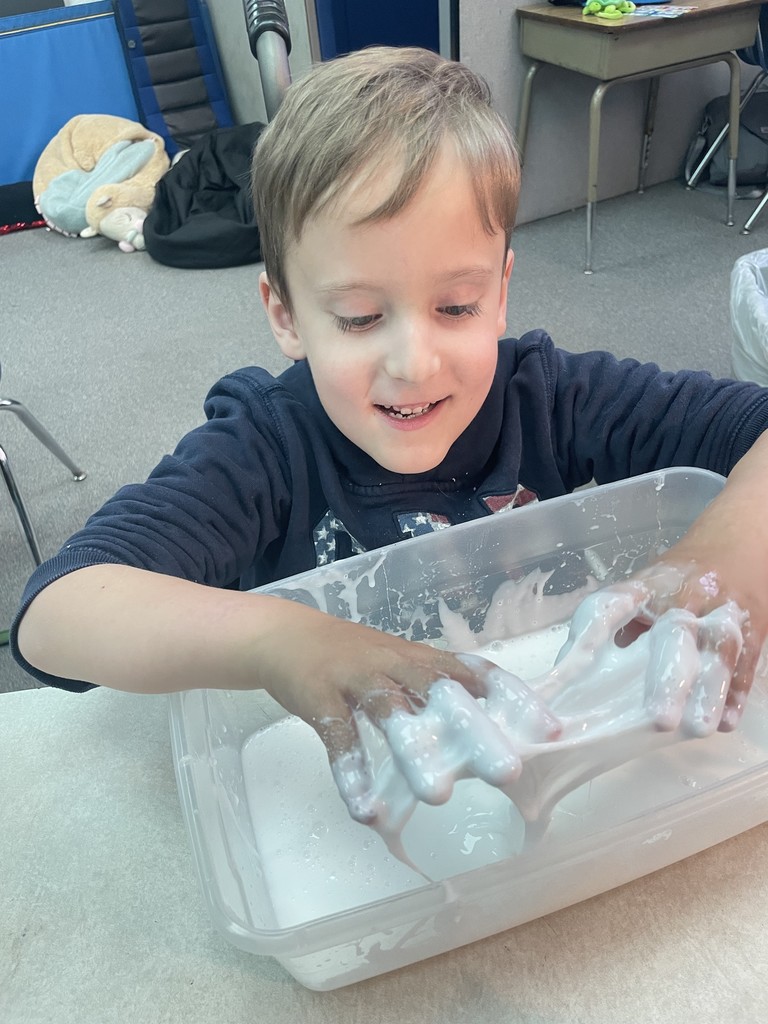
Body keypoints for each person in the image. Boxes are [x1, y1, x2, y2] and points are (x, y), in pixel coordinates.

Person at [11, 47, 768, 821]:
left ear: (502, 291)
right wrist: (282, 641)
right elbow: (54, 614)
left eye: (457, 306)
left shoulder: (551, 396)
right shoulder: (265, 449)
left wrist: (727, 558)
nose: (414, 362)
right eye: (361, 318)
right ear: (286, 316)